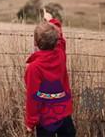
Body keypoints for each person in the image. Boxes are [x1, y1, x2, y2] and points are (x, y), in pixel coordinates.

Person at [25, 9, 76, 137]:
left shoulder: (34, 68)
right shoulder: (60, 54)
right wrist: (51, 20)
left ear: (35, 43)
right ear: (56, 40)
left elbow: (33, 98)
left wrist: (31, 122)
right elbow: (61, 40)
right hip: (64, 114)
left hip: (45, 120)